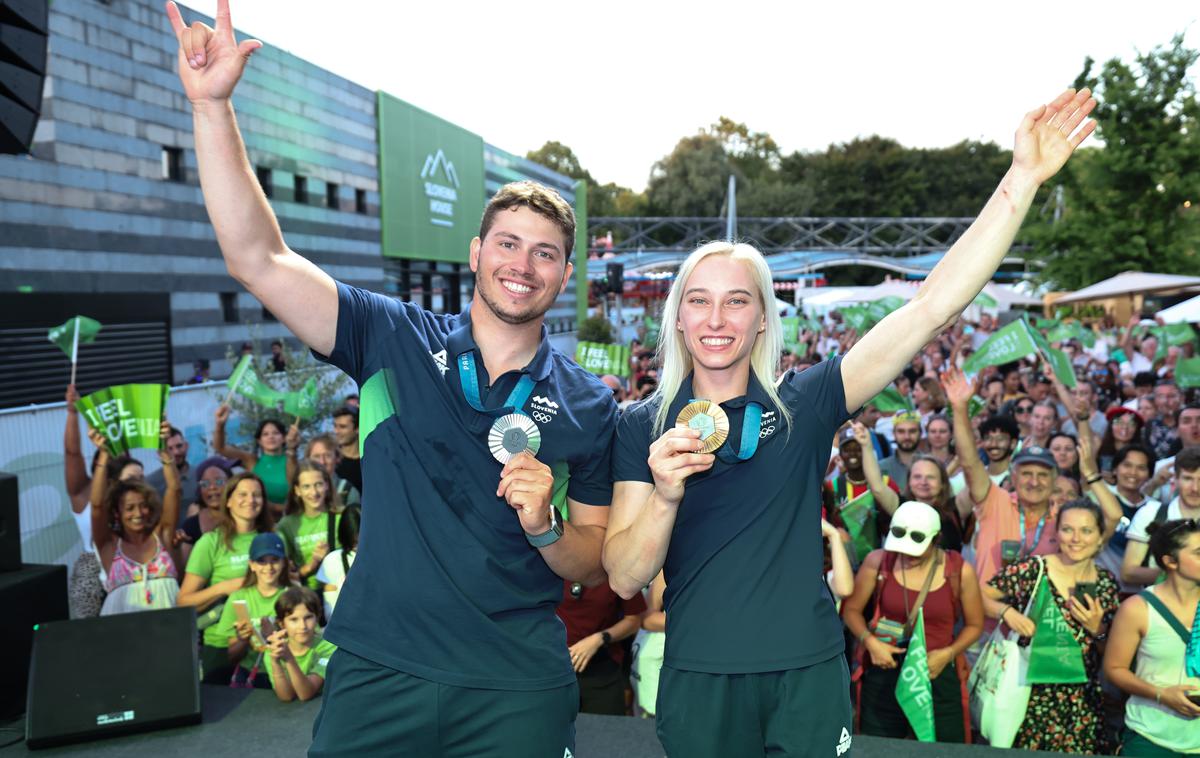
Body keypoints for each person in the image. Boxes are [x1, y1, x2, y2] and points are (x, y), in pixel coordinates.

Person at [166, 3, 617, 751]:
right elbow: (260, 259)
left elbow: (593, 561)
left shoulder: (591, 402)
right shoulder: (391, 334)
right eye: (508, 243)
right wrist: (212, 108)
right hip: (382, 669)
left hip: (515, 679)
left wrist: (544, 526)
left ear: (567, 274)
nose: (522, 264)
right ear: (474, 253)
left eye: (545, 253)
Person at [608, 92, 1095, 757]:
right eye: (699, 301)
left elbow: (927, 309)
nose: (717, 319)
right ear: (678, 317)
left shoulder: (804, 403)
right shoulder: (642, 424)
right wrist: (665, 493)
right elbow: (624, 577)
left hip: (805, 675)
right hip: (699, 676)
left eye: (736, 301)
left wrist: (1023, 178)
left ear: (761, 320)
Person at [944, 368, 1122, 601]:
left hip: (1045, 629)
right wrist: (959, 409)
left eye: (1043, 475)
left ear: (1054, 479)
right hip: (991, 625)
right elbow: (969, 462)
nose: (1034, 481)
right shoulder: (994, 501)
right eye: (1026, 474)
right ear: (1013, 477)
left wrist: (1090, 474)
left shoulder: (1065, 518)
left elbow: (1113, 516)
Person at [982, 499, 1121, 753]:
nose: (1076, 538)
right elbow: (978, 595)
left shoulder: (1106, 582)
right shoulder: (1033, 569)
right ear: (1056, 533)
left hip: (1083, 704)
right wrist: (1006, 611)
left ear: (1101, 536)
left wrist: (1097, 629)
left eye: (1086, 530)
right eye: (1067, 529)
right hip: (1028, 698)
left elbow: (1112, 656)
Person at [841, 501, 983, 742]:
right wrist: (871, 643)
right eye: (901, 548)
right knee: (881, 747)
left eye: (916, 550)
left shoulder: (958, 570)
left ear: (936, 539)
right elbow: (851, 610)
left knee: (944, 748)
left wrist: (948, 654)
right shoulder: (879, 561)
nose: (906, 555)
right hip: (885, 667)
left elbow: (974, 625)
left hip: (935, 671)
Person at [1104, 519, 1200, 756]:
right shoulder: (1137, 609)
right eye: (1199, 553)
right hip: (1150, 738)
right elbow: (1115, 668)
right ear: (1170, 561)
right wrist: (1161, 694)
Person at [177, 471, 274, 683]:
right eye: (243, 494)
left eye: (257, 495)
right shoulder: (210, 542)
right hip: (222, 646)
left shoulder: (273, 538)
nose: (250, 500)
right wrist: (224, 587)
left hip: (267, 646)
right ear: (228, 501)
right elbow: (183, 602)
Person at [88, 421, 182, 615]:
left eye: (143, 506)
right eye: (129, 508)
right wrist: (104, 455)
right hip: (123, 637)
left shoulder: (162, 535)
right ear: (117, 513)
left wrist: (164, 450)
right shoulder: (109, 545)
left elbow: (174, 489)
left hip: (170, 633)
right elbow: (97, 507)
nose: (138, 514)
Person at [857, 422, 967, 552]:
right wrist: (866, 446)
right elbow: (877, 487)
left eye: (931, 477)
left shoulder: (955, 508)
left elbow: (975, 479)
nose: (923, 482)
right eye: (917, 477)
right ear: (909, 481)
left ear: (943, 482)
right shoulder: (901, 506)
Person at [555, 574, 647, 715]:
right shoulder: (549, 561)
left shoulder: (615, 568)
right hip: (555, 669)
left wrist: (600, 638)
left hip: (602, 671)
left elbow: (634, 620)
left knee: (605, 733)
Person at [212, 532, 291, 688]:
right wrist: (243, 639)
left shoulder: (292, 595)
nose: (269, 567)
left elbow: (306, 644)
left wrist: (274, 637)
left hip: (285, 672)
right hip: (251, 675)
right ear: (252, 565)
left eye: (274, 560)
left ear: (283, 563)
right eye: (262, 561)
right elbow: (232, 656)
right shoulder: (238, 598)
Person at [1122, 447, 1200, 589]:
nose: (1195, 488)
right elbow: (1128, 572)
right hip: (1156, 604)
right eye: (1188, 478)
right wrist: (1182, 573)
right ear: (1175, 479)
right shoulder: (1150, 513)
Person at [63, 384, 106, 619]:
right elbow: (72, 453)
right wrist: (72, 413)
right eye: (105, 455)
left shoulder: (130, 493)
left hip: (128, 565)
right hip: (92, 569)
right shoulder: (83, 490)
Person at [212, 406, 297, 516]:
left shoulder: (291, 461)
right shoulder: (252, 461)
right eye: (265, 434)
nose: (271, 437)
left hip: (289, 518)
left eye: (275, 433)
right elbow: (220, 448)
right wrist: (220, 424)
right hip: (261, 518)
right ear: (259, 441)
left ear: (284, 438)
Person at [1098, 443, 1159, 594]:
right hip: (1101, 588)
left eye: (1141, 468)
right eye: (1127, 465)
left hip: (1142, 595)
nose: (1133, 472)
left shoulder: (1156, 509)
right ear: (1114, 469)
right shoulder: (1099, 500)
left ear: (1150, 474)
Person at [266, 586, 337, 702]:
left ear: (317, 617)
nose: (302, 626)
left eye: (308, 617)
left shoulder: (329, 648)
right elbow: (286, 697)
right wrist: (275, 663)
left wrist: (289, 659)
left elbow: (306, 694)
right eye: (293, 619)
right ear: (281, 623)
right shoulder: (275, 650)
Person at [277, 462, 340, 591]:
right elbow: (284, 574)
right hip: (304, 594)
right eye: (306, 487)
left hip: (338, 590)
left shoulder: (340, 517)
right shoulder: (286, 525)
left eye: (319, 485)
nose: (314, 492)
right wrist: (313, 564)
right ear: (297, 490)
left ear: (327, 485)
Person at [176, 456, 236, 566]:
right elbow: (183, 573)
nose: (212, 487)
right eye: (205, 484)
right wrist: (176, 550)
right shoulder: (190, 526)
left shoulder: (246, 518)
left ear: (232, 484)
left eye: (219, 481)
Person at [316, 505, 360, 620]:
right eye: (355, 543)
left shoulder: (384, 557)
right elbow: (330, 611)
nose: (361, 548)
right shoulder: (333, 561)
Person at [146, 425, 195, 515]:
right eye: (169, 449)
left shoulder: (200, 474)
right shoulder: (150, 483)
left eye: (179, 446)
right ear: (160, 453)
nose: (176, 452)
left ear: (186, 446)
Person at [879, 410, 922, 491]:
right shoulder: (882, 467)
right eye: (901, 431)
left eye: (912, 431)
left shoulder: (931, 464)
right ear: (894, 434)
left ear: (920, 433)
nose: (907, 437)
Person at [1099, 406, 1145, 477]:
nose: (1125, 427)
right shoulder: (1099, 449)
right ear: (1111, 425)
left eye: (1131, 424)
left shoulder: (1143, 454)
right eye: (1119, 422)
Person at [331, 406, 362, 495]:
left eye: (342, 427)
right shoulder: (332, 461)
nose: (336, 431)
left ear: (357, 429)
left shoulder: (369, 461)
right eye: (335, 426)